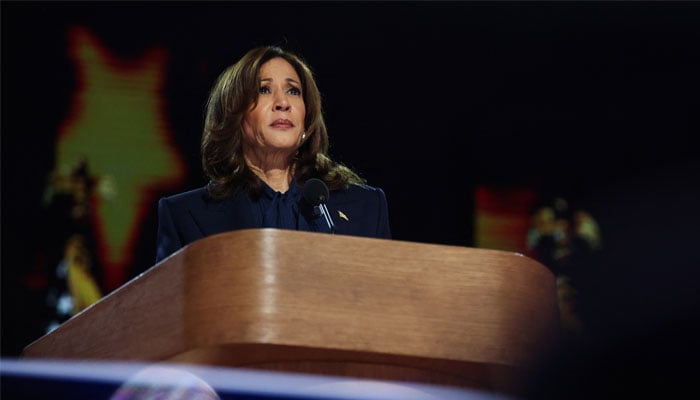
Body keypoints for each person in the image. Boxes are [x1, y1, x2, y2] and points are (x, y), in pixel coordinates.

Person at [155, 45, 391, 263]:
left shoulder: (366, 207)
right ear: (234, 115)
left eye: (293, 91)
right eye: (264, 89)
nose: (283, 102)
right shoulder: (186, 216)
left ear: (306, 118)